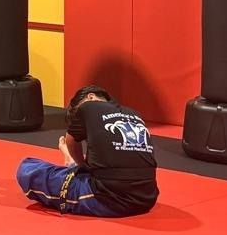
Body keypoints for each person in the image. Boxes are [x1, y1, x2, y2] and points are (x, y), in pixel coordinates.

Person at [16, 84, 159, 217]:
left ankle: (71, 163)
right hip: (147, 198)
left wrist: (81, 164)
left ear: (90, 97)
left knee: (27, 169)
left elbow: (70, 140)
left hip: (109, 199)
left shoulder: (88, 107)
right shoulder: (134, 113)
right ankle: (72, 164)